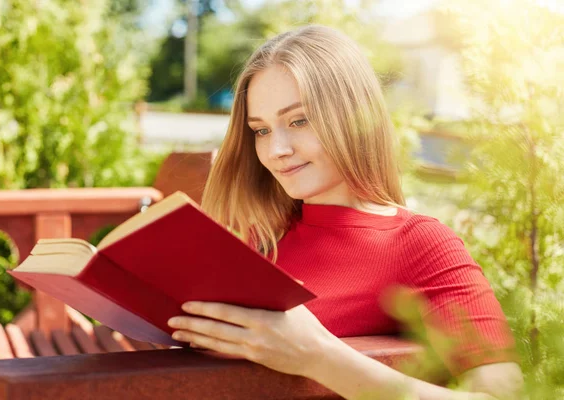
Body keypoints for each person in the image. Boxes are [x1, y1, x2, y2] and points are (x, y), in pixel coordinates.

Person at [166, 25, 523, 399]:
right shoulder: (260, 237)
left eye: (298, 121)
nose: (276, 150)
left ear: (354, 117)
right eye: (261, 130)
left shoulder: (420, 243)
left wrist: (319, 357)